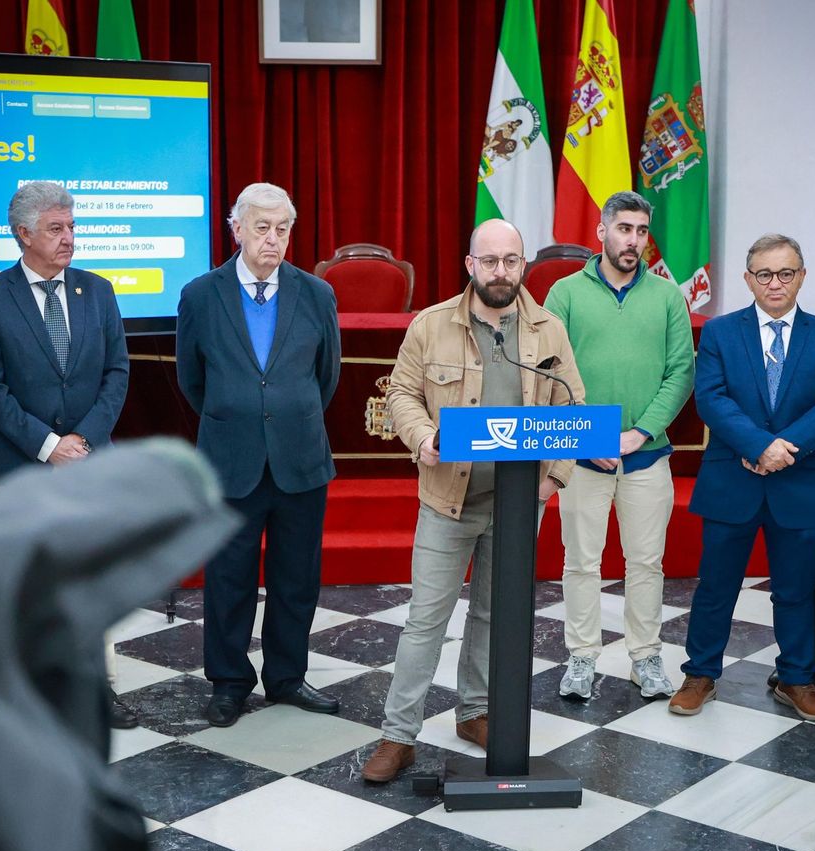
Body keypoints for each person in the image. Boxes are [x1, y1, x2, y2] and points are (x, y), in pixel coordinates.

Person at [360, 218, 585, 783]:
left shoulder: (548, 330)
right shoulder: (431, 325)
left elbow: (573, 405)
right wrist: (423, 437)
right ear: (470, 265)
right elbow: (403, 394)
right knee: (425, 621)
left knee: (495, 616)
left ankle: (475, 712)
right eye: (490, 261)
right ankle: (397, 735)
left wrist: (552, 479)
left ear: (523, 264)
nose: (501, 271)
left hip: (518, 502)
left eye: (511, 260)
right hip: (448, 498)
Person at [0, 180, 134, 728]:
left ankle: (96, 687)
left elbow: (117, 372)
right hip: (20, 465)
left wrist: (81, 441)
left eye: (71, 228)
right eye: (55, 229)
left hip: (88, 463)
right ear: (23, 235)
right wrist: (48, 446)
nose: (68, 240)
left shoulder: (98, 290)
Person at [177, 183, 342, 729]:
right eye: (263, 228)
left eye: (283, 229)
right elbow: (191, 381)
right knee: (229, 576)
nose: (274, 240)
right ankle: (229, 682)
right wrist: (242, 414)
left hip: (300, 458)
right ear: (238, 229)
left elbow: (327, 377)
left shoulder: (316, 294)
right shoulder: (202, 294)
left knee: (297, 576)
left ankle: (287, 677)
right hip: (230, 459)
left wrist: (285, 413)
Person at [668, 235, 815, 724]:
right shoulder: (722, 333)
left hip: (800, 480)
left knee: (796, 589)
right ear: (748, 279)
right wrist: (757, 446)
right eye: (764, 274)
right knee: (716, 586)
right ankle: (700, 674)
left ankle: (796, 678)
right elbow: (711, 399)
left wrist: (781, 449)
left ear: (802, 276)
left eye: (785, 273)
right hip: (734, 479)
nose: (775, 283)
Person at [543, 191, 694, 702]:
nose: (633, 240)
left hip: (647, 454)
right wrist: (590, 434)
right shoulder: (563, 293)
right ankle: (582, 658)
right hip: (582, 456)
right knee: (581, 562)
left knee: (646, 562)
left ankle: (645, 656)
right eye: (624, 228)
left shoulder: (669, 297)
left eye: (642, 231)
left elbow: (681, 374)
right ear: (601, 232)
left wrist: (639, 433)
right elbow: (550, 373)